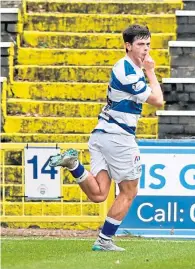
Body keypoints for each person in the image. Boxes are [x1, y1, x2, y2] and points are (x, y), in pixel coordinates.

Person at [49, 24, 164, 251]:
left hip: (101, 134)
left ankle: (74, 165)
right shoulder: (127, 71)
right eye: (140, 44)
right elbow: (158, 100)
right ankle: (104, 240)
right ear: (128, 46)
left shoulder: (128, 68)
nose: (145, 49)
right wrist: (151, 71)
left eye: (148, 44)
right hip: (118, 138)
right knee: (129, 192)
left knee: (100, 194)